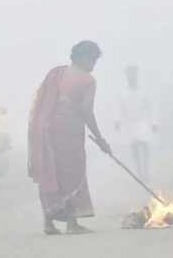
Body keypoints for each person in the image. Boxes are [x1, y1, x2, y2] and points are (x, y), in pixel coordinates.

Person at [28, 40, 111, 235]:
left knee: (51, 172)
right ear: (84, 57)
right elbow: (86, 111)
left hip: (46, 131)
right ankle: (72, 224)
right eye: (93, 60)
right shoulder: (88, 80)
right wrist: (100, 139)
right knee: (71, 174)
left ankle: (48, 223)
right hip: (68, 133)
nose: (93, 65)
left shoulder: (57, 73)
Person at [115, 65, 158, 182]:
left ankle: (146, 171)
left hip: (142, 123)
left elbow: (151, 107)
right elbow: (119, 109)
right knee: (135, 149)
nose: (131, 78)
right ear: (127, 77)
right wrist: (117, 121)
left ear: (136, 76)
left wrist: (153, 122)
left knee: (145, 147)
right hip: (130, 124)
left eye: (133, 75)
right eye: (129, 75)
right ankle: (140, 173)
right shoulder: (123, 93)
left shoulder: (144, 92)